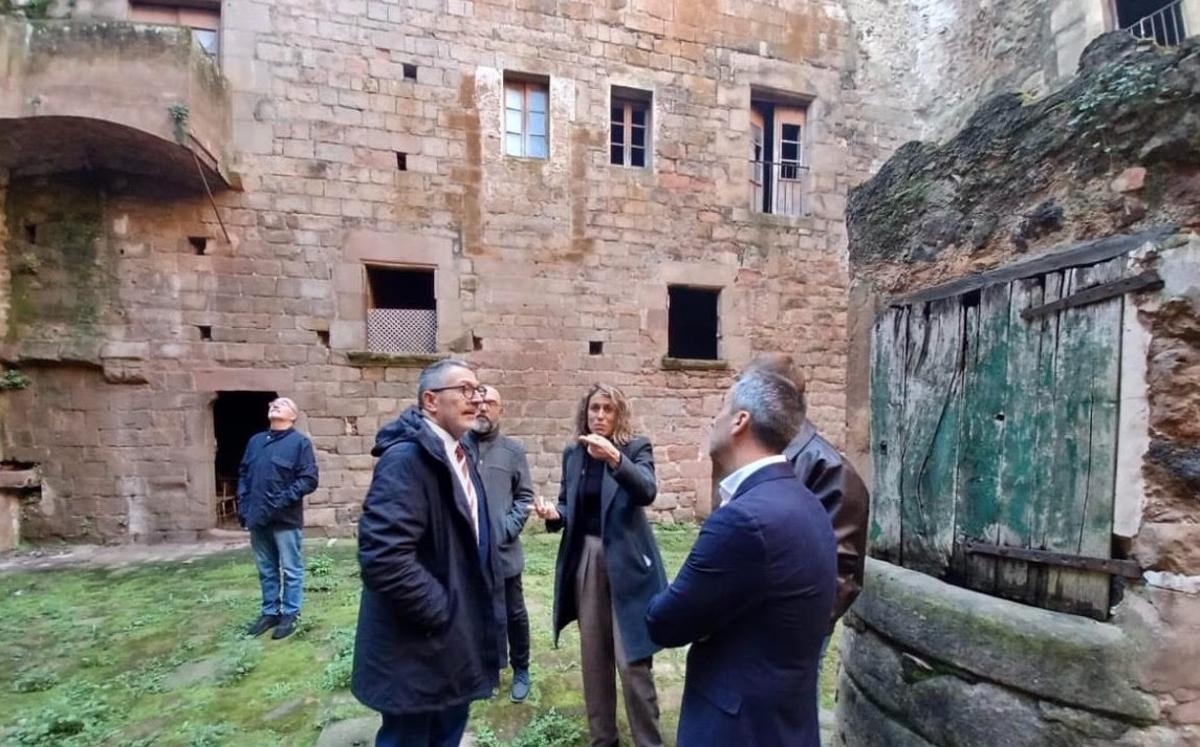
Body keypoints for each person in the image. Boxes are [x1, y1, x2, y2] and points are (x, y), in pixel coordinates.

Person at [645, 365, 836, 747]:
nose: (712, 421)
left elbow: (662, 623)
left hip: (738, 728)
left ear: (739, 421)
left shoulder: (742, 519)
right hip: (786, 722)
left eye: (720, 409)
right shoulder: (806, 501)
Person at [351, 359, 507, 747]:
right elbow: (384, 557)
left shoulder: (457, 451)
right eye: (465, 390)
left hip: (451, 643)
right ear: (431, 401)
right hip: (417, 648)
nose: (477, 400)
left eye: (479, 390)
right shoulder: (406, 459)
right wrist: (442, 610)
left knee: (447, 732)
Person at [532, 383, 666, 747]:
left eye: (608, 409)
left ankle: (648, 741)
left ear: (618, 414)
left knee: (632, 661)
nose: (601, 416)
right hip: (588, 559)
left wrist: (614, 459)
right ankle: (602, 739)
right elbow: (568, 505)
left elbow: (647, 490)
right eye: (595, 409)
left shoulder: (635, 448)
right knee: (594, 658)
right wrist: (554, 513)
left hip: (627, 561)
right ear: (585, 413)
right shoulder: (574, 455)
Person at [754, 354, 870, 642]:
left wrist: (796, 632)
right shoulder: (756, 457)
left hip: (788, 637)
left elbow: (842, 573)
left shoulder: (830, 470)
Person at [464, 385, 536, 703]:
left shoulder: (512, 451)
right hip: (466, 554)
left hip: (503, 552)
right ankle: (485, 671)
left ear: (500, 409)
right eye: (476, 402)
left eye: (489, 402)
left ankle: (521, 668)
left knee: (514, 613)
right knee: (474, 613)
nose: (481, 408)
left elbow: (524, 497)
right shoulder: (457, 448)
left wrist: (505, 530)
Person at [238, 396, 319, 641]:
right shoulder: (255, 442)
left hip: (284, 518)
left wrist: (282, 500)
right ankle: (270, 612)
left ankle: (290, 614)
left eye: (281, 404)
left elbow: (309, 479)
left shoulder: (299, 444)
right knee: (266, 569)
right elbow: (244, 473)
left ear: (293, 416)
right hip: (257, 517)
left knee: (291, 569)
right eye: (272, 404)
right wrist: (244, 503)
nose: (274, 405)